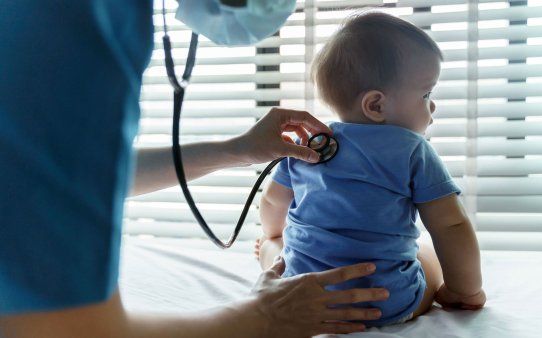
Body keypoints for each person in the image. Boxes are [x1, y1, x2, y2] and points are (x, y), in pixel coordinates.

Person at [0, 1, 390, 337]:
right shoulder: (74, 19)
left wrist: (237, 150)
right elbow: (71, 333)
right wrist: (268, 317)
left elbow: (61, 172)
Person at [256, 12, 487, 326]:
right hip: (384, 304)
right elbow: (452, 226)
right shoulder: (412, 150)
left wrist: (273, 235)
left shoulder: (308, 143)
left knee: (276, 251)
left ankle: (268, 250)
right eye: (426, 94)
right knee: (426, 253)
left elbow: (272, 202)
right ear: (376, 105)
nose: (432, 106)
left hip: (303, 298)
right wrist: (465, 290)